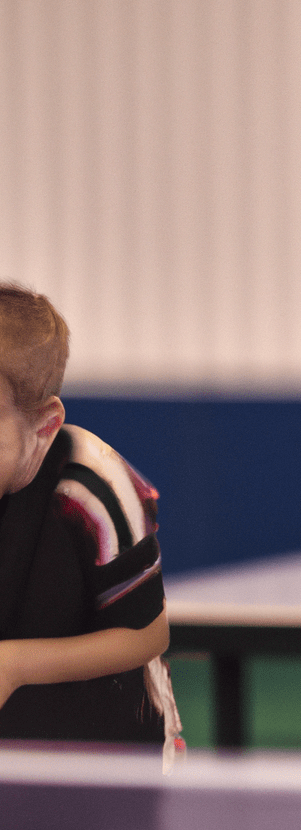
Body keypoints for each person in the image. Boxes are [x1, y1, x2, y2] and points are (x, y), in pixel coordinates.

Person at [0, 282, 181, 766]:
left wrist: (13, 665)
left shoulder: (92, 489)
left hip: (110, 753)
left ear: (44, 426)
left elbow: (148, 635)